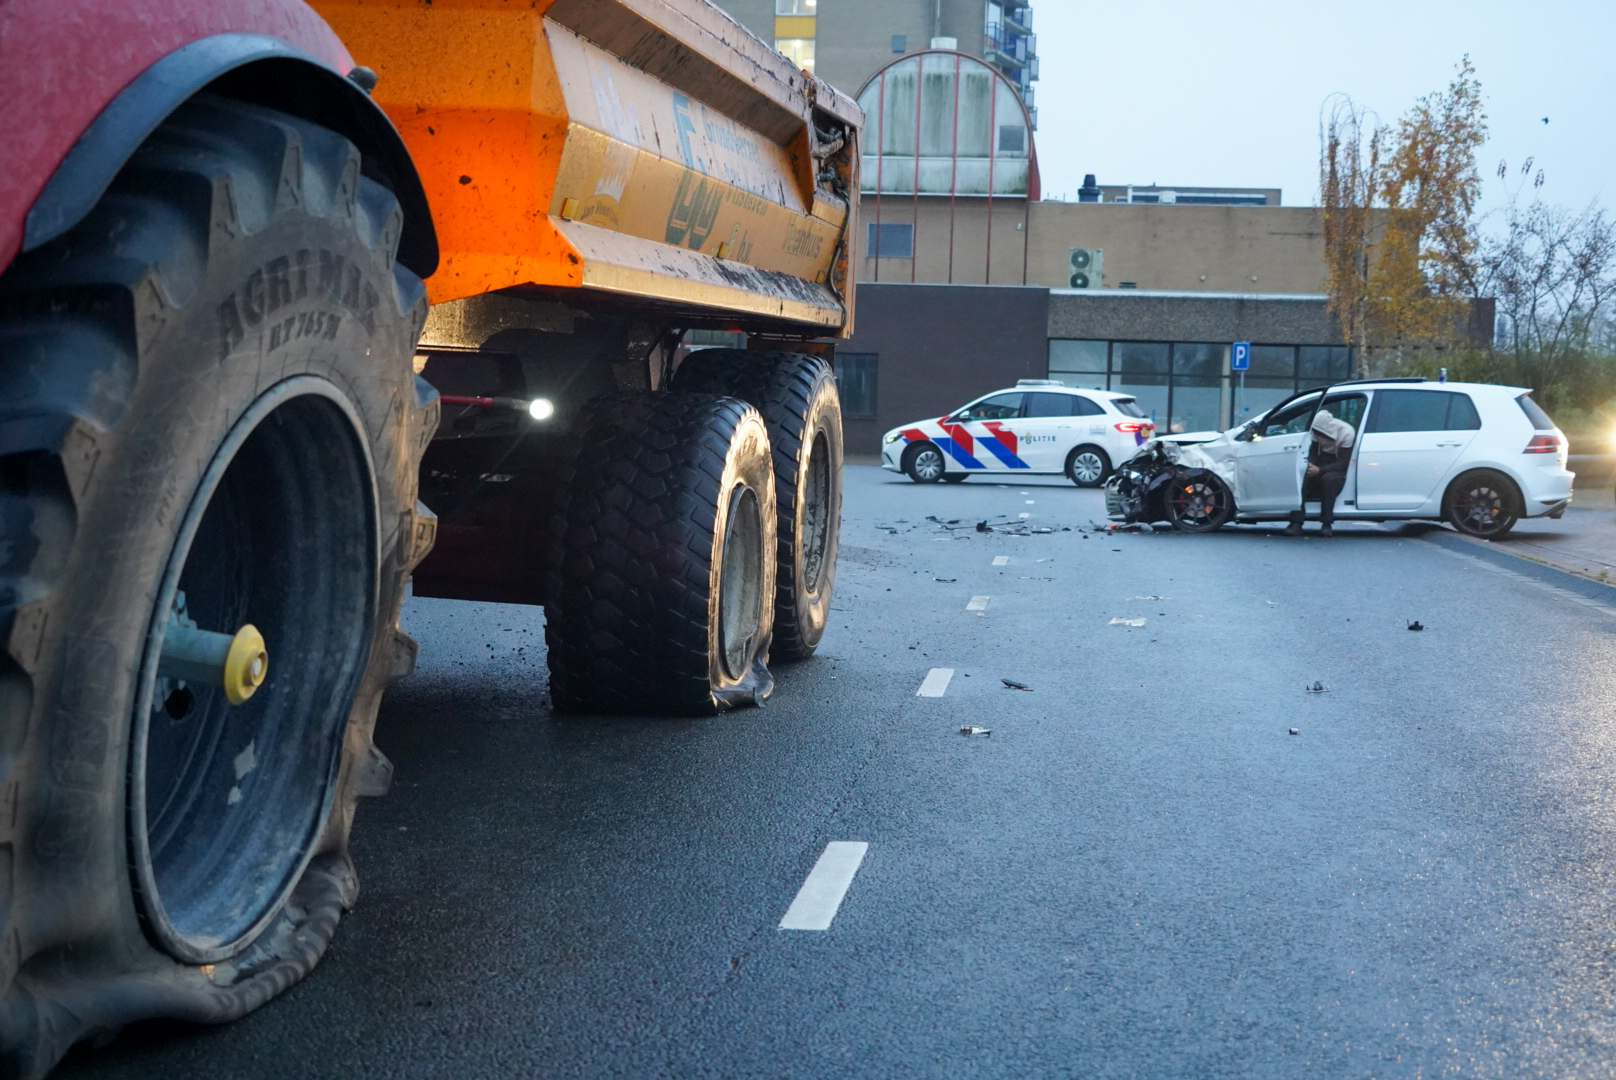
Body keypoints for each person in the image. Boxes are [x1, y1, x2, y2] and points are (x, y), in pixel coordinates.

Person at [1285, 408, 1355, 537]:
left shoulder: (1346, 433)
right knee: (1301, 477)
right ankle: (1296, 522)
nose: (1319, 436)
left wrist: (1320, 470)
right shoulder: (1316, 433)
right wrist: (1310, 465)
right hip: (1321, 461)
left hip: (1337, 466)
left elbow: (1343, 462)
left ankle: (1326, 523)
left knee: (1329, 480)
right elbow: (1314, 453)